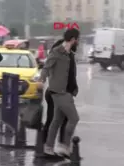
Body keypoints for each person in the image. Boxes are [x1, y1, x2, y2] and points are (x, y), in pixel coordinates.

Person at [38, 28, 80, 157]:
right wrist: (41, 80)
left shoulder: (69, 53)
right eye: (77, 39)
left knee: (57, 120)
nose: (78, 41)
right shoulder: (57, 52)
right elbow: (46, 67)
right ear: (73, 39)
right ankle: (65, 146)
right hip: (59, 92)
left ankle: (49, 147)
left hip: (66, 91)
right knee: (74, 118)